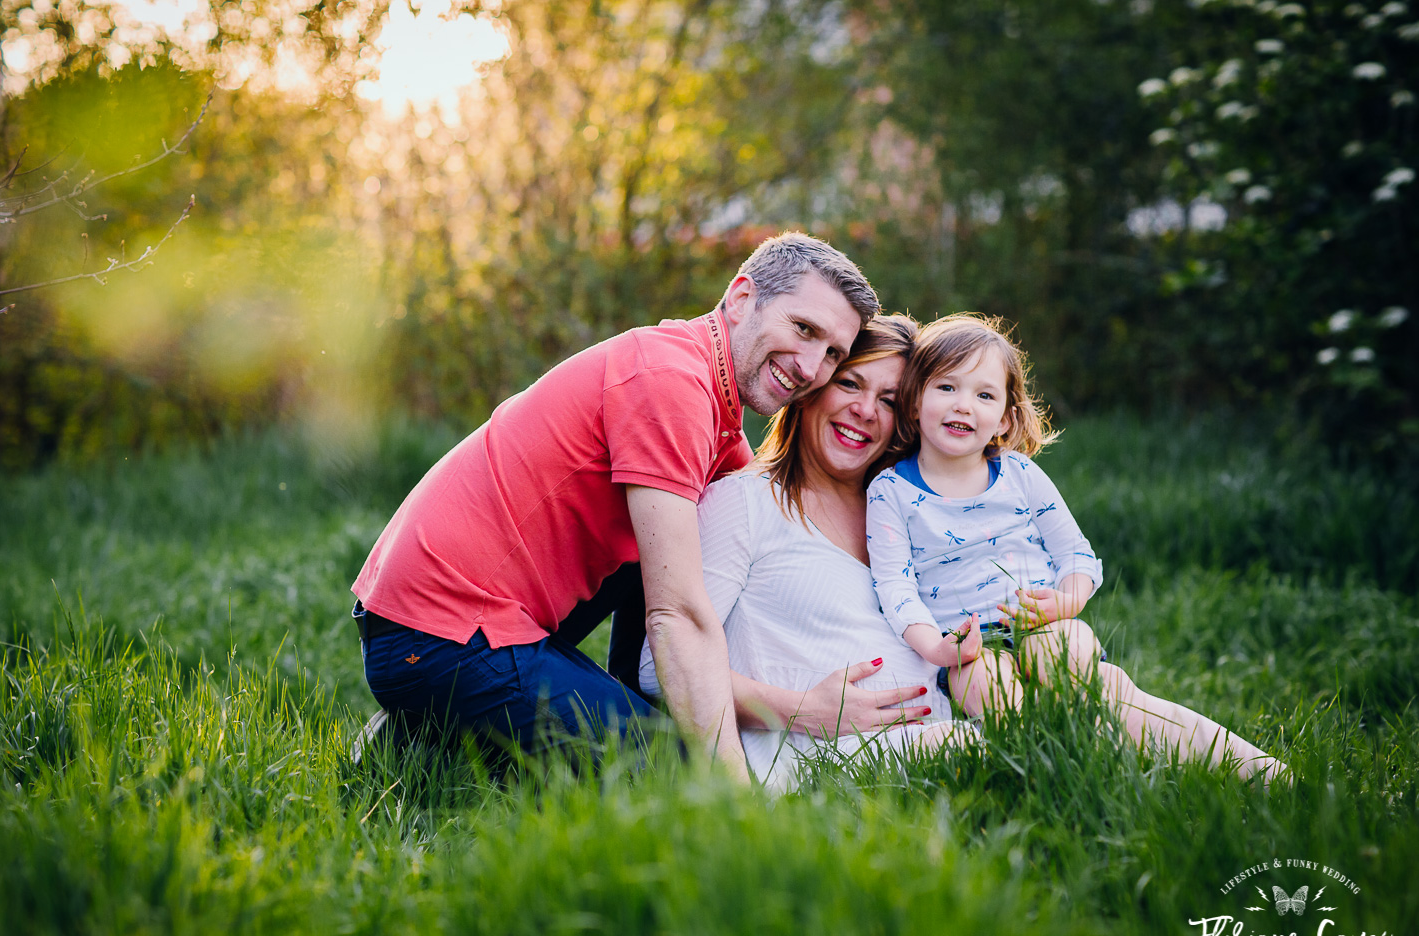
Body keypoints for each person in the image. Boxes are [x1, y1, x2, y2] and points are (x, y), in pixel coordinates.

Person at [350, 232, 881, 777]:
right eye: (804, 329)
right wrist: (741, 788)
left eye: (833, 353)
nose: (813, 368)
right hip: (441, 635)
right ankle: (433, 721)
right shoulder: (671, 383)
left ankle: (417, 738)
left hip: (439, 628)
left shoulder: (711, 408)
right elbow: (679, 614)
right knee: (675, 774)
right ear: (743, 298)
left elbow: (777, 547)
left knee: (687, 539)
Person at [866, 313, 1287, 782]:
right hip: (966, 647)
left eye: (984, 394)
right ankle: (1065, 782)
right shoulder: (891, 491)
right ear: (913, 399)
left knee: (1082, 672)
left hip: (1043, 624)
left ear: (1006, 416)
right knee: (989, 689)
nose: (964, 405)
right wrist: (938, 648)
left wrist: (1067, 600)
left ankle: (1266, 773)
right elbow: (894, 585)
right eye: (946, 387)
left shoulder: (1020, 475)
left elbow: (1075, 554)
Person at [639, 316, 968, 790]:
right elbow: (659, 668)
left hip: (929, 754)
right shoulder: (746, 502)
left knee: (1094, 696)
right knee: (1029, 741)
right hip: (816, 767)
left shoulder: (907, 516)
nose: (865, 410)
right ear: (811, 388)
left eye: (889, 401)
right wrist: (800, 709)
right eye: (850, 383)